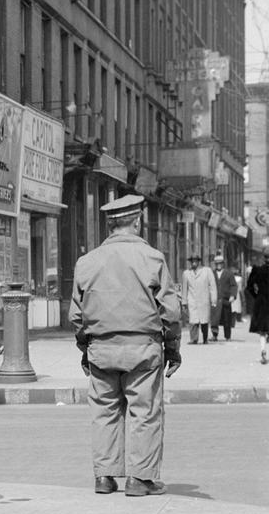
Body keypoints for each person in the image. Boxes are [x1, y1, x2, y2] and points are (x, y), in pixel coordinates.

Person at [70, 194, 181, 497]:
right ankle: (140, 479)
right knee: (145, 413)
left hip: (100, 348)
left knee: (104, 411)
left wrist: (85, 349)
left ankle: (104, 477)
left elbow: (77, 316)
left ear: (110, 225)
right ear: (137, 221)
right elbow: (170, 313)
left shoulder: (86, 262)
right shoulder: (153, 258)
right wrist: (172, 348)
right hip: (142, 349)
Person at [181, 253, 216, 344]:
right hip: (192, 300)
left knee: (204, 321)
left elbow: (212, 286)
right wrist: (184, 302)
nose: (194, 263)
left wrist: (214, 300)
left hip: (204, 300)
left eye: (195, 261)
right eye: (192, 261)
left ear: (199, 262)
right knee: (193, 321)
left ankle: (205, 338)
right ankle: (194, 339)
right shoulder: (186, 273)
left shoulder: (207, 271)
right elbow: (184, 289)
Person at [246, 248, 269, 364]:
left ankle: (263, 350)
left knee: (263, 330)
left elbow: (249, 287)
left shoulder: (258, 271)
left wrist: (257, 296)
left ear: (264, 258)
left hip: (262, 302)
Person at [210, 254, 237, 341]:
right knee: (215, 319)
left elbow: (233, 285)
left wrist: (233, 295)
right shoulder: (212, 273)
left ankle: (227, 336)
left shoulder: (229, 273)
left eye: (220, 263)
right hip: (215, 300)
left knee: (227, 319)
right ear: (215, 264)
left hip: (225, 299)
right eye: (217, 263)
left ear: (223, 264)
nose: (219, 265)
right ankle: (214, 335)